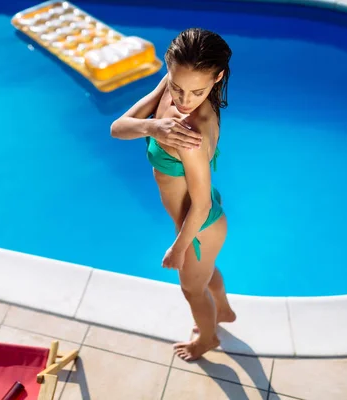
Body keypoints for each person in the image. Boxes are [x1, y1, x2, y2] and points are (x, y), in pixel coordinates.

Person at [110, 27, 236, 361]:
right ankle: (222, 309)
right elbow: (117, 128)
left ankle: (208, 338)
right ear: (168, 68)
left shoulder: (192, 135)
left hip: (199, 226)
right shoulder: (170, 85)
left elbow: (203, 203)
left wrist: (179, 247)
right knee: (204, 271)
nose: (183, 100)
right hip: (192, 220)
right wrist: (153, 126)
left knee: (192, 289)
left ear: (217, 77)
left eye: (196, 92)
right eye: (177, 87)